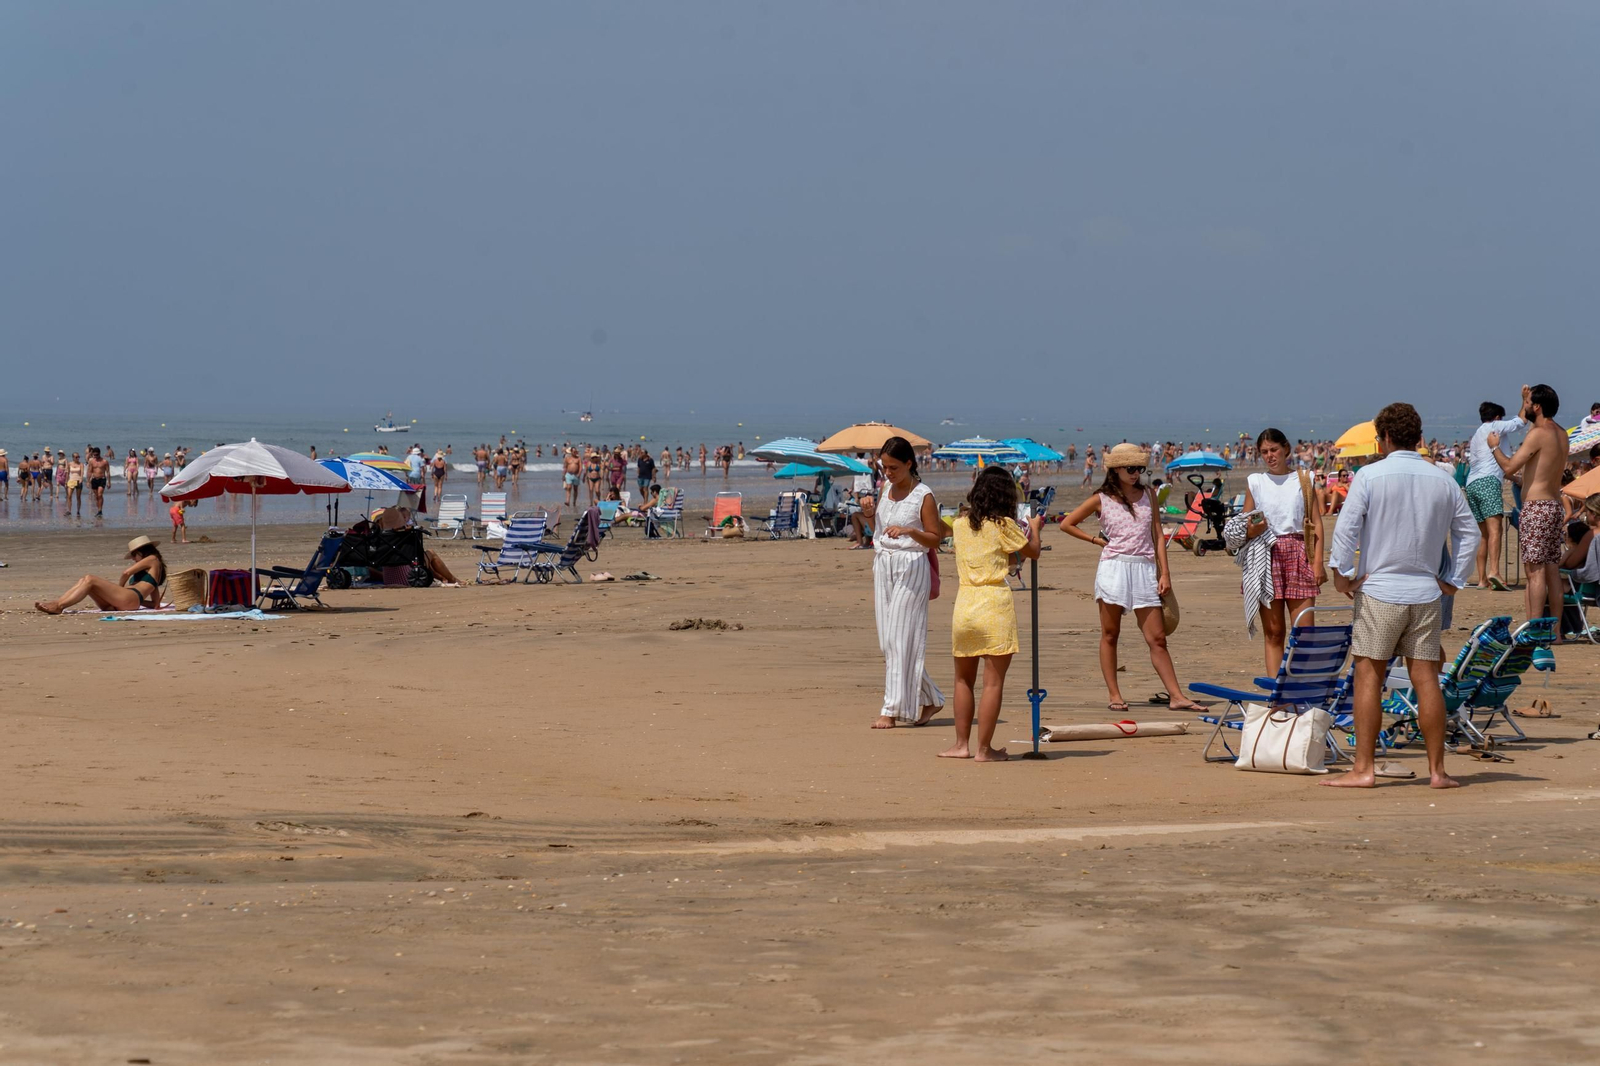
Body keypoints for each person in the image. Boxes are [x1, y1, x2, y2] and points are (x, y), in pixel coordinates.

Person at [1326, 402, 1477, 790]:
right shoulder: (1442, 479)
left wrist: (1341, 576)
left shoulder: (1370, 475)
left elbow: (1345, 530)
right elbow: (1468, 533)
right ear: (1419, 438)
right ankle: (1437, 771)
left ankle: (1363, 768)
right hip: (1426, 591)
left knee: (1368, 677)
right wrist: (1453, 579)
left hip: (1381, 590)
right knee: (1426, 678)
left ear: (1386, 437)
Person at [1060, 444, 1203, 713]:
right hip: (1114, 568)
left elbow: (1158, 535)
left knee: (1158, 638)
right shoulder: (1100, 498)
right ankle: (1114, 695)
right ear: (1116, 469)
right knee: (1110, 634)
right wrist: (1096, 540)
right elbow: (1067, 524)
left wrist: (1165, 573)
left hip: (1145, 569)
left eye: (1140, 468)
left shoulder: (1149, 494)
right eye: (1131, 468)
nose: (1136, 473)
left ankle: (1176, 695)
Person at [939, 466, 1044, 762]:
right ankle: (984, 749)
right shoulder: (1003, 524)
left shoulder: (960, 524)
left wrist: (1014, 556)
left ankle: (961, 744)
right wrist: (1034, 527)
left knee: (963, 680)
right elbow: (1033, 551)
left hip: (965, 604)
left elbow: (991, 555)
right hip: (994, 603)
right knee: (992, 683)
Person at [870, 436, 945, 729]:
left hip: (912, 566)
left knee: (900, 638)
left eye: (893, 467)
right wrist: (866, 513)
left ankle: (890, 710)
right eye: (884, 467)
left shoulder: (923, 495)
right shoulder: (885, 489)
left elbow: (935, 537)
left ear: (909, 464)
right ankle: (932, 697)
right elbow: (875, 528)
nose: (887, 473)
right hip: (883, 564)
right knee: (888, 642)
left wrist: (909, 531)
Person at [1239, 429, 1328, 675]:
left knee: (1304, 631)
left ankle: (1302, 689)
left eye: (1274, 450)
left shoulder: (1304, 478)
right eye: (1264, 452)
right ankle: (1276, 695)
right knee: (1274, 632)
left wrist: (1318, 562)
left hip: (1299, 552)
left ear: (1286, 449)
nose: (1270, 456)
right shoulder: (1255, 482)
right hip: (1264, 555)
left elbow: (1316, 522)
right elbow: (1245, 524)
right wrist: (1252, 528)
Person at [1488, 383, 1569, 632]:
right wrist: (1523, 399)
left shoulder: (1538, 434)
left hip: (1537, 508)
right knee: (1552, 570)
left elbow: (1510, 467)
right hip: (1555, 505)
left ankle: (1534, 630)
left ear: (1537, 406)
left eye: (1528, 402)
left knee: (1534, 572)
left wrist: (1494, 446)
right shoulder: (1561, 433)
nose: (1525, 406)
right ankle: (1554, 633)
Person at [1464, 387, 1529, 591]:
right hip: (1488, 483)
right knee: (1495, 530)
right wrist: (1524, 401)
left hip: (1472, 484)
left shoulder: (1476, 436)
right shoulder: (1495, 427)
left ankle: (1482, 578)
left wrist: (1517, 479)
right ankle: (1494, 571)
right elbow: (1521, 422)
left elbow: (1497, 466)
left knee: (1483, 534)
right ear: (1498, 417)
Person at [35, 535, 167, 614]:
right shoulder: (149, 574)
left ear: (143, 551)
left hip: (129, 599)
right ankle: (58, 603)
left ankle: (59, 606)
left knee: (90, 579)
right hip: (127, 601)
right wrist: (138, 601)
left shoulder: (153, 559)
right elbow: (155, 604)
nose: (133, 559)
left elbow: (126, 573)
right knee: (86, 582)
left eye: (133, 555)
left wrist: (121, 589)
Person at [86, 447, 109, 517]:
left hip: (102, 479)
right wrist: (88, 481)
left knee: (100, 495)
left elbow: (108, 472)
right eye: (94, 455)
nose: (95, 456)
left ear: (99, 454)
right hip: (94, 479)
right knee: (96, 496)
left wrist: (109, 482)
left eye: (96, 455)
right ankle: (98, 509)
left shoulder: (104, 461)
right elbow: (89, 471)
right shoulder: (91, 461)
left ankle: (100, 510)